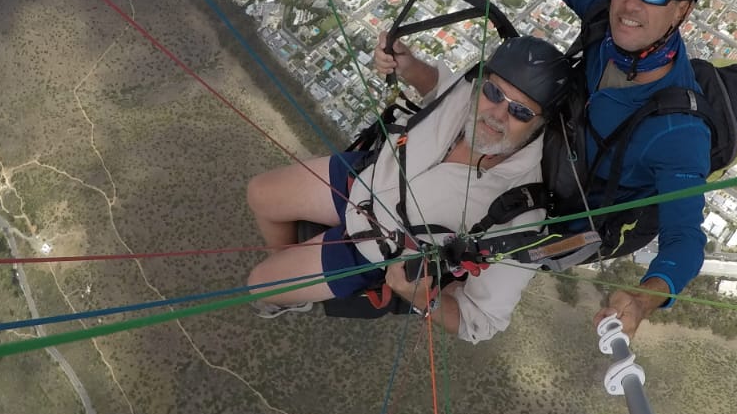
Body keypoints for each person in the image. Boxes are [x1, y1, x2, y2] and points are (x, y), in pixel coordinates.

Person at [417, 0, 711, 338]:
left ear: (682, 10)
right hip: (548, 151)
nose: (631, 4)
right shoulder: (603, 15)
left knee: (451, 254)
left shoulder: (678, 130)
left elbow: (685, 237)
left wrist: (644, 298)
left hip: (567, 213)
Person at [243, 34, 569, 342]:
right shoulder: (470, 93)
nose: (497, 114)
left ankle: (289, 290)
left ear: (541, 124)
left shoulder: (521, 211)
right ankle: (291, 273)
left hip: (376, 249)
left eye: (520, 111)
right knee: (259, 193)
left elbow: (482, 321)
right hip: (369, 176)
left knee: (259, 286)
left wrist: (421, 297)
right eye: (494, 93)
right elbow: (440, 89)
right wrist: (408, 65)